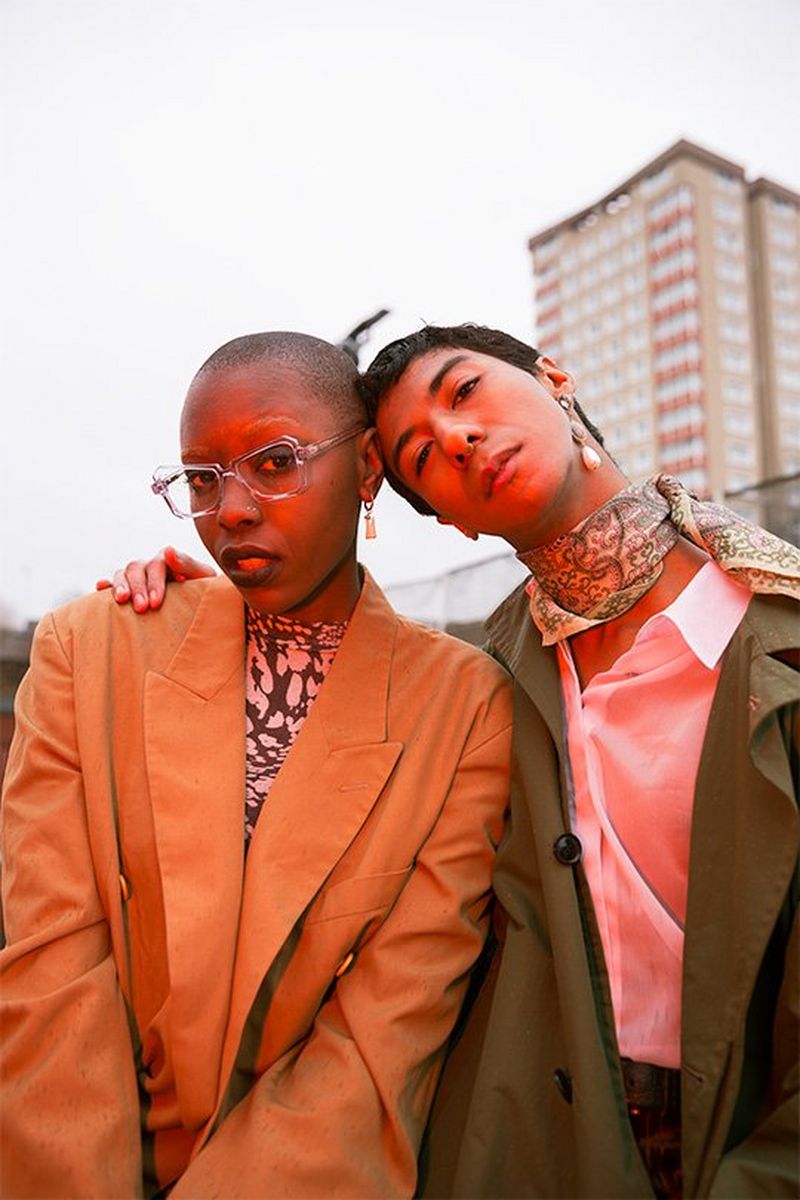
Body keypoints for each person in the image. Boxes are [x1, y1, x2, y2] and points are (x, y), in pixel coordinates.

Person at [99, 324, 800, 1199]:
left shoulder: (775, 637)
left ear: (555, 377)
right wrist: (231, 620)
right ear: (453, 525)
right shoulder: (487, 684)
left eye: (464, 392)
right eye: (419, 456)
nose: (455, 438)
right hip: (542, 1141)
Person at [0, 332, 513, 1199]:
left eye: (275, 462)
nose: (231, 508)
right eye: (201, 479)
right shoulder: (88, 652)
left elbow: (382, 1037)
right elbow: (51, 974)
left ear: (366, 470)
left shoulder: (465, 708)